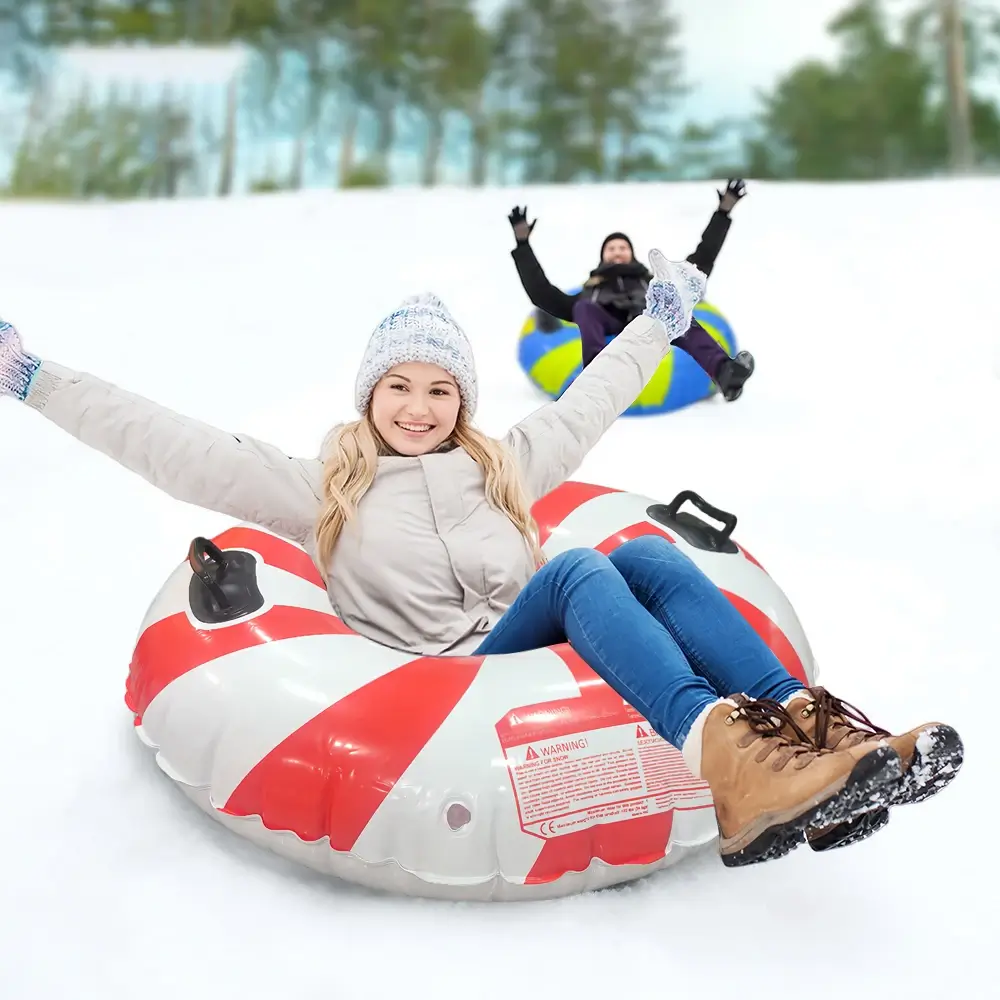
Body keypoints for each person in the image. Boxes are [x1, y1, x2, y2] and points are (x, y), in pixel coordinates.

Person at [0, 251, 962, 869]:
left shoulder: (503, 466)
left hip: (536, 644)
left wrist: (659, 323)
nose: (418, 409)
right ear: (369, 394)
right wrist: (32, 377)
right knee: (582, 567)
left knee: (651, 562)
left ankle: (814, 737)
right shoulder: (316, 488)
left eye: (440, 390)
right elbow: (169, 441)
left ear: (462, 400)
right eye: (398, 388)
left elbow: (591, 399)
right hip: (446, 678)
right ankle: (723, 758)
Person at [508, 179, 754, 401]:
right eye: (611, 248)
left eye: (622, 247)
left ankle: (725, 373)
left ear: (631, 254)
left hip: (649, 319)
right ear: (603, 256)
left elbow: (699, 263)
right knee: (583, 308)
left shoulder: (652, 282)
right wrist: (522, 245)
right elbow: (541, 293)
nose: (617, 251)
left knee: (677, 311)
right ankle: (596, 381)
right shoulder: (589, 293)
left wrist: (723, 213)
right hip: (602, 321)